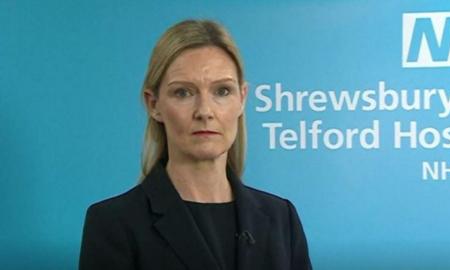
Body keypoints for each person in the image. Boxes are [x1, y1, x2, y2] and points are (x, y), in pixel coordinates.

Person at [79, 19, 312, 270]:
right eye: (183, 93)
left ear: (242, 99)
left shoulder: (281, 218)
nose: (204, 111)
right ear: (153, 104)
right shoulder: (114, 223)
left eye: (222, 91)